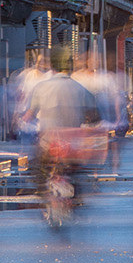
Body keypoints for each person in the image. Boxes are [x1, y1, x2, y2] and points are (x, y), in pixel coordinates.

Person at [24, 46, 100, 197]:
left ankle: (42, 196)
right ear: (70, 65)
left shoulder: (41, 87)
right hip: (73, 149)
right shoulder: (80, 89)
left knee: (35, 174)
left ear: (51, 65)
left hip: (48, 148)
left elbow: (28, 117)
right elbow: (95, 117)